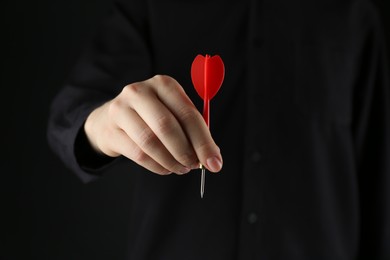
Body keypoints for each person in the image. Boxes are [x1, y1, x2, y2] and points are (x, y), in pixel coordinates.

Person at [47, 0, 390, 259]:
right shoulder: (152, 7)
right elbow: (72, 112)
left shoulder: (354, 14)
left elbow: (377, 169)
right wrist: (104, 123)